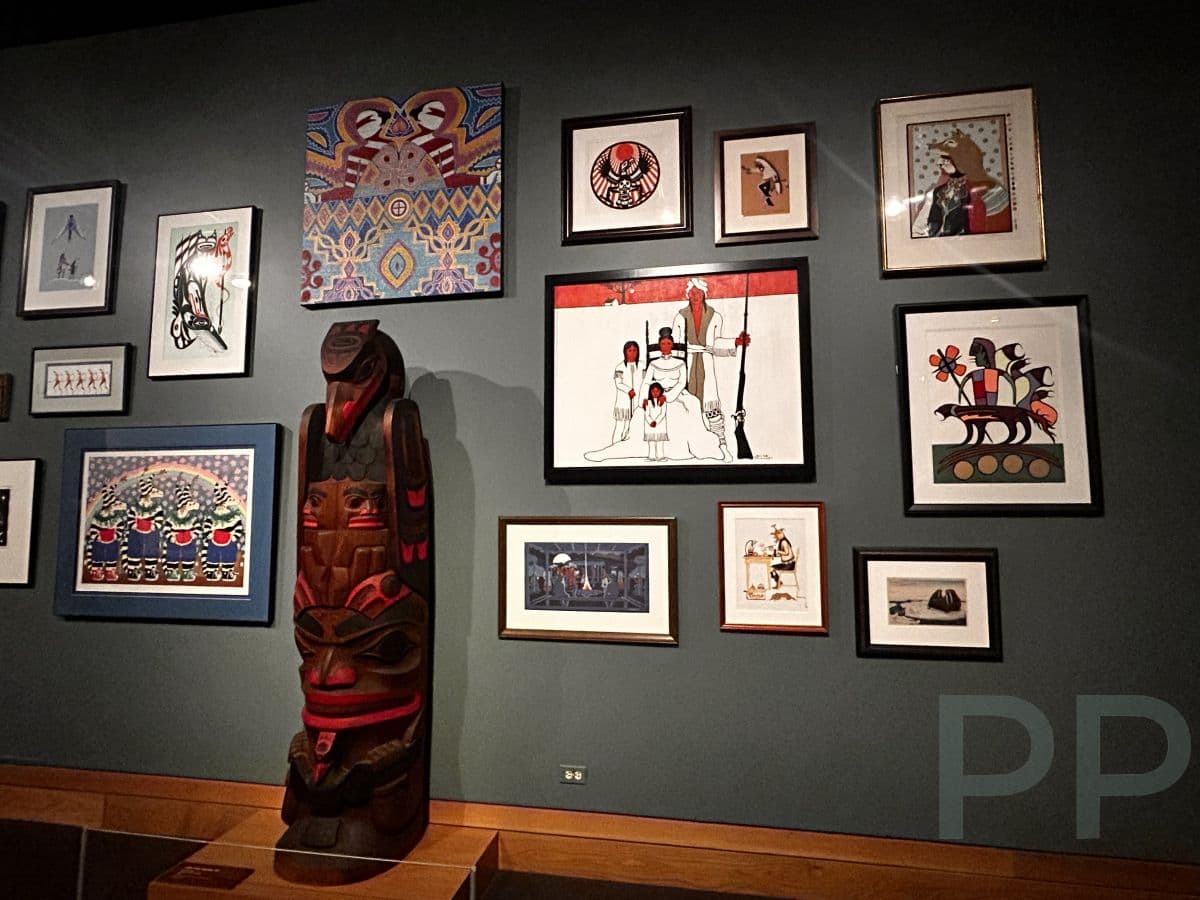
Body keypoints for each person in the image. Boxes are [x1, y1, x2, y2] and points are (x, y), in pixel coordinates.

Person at [671, 277, 749, 462]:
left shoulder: (715, 316)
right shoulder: (680, 316)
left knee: (711, 405)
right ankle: (688, 447)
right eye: (692, 292)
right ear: (688, 295)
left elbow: (714, 345)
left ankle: (721, 445)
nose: (695, 295)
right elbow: (677, 344)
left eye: (698, 292)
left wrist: (735, 342)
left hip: (706, 363)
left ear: (704, 293)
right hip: (687, 363)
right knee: (688, 406)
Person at [610, 340, 642, 443]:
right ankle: (614, 445)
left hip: (637, 401)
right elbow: (618, 383)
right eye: (630, 350)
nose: (632, 353)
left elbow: (646, 381)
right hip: (623, 402)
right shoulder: (620, 367)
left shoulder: (642, 366)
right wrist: (629, 390)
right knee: (620, 426)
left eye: (634, 350)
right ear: (625, 352)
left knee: (631, 427)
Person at [643, 381, 668, 460]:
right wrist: (651, 422)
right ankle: (651, 456)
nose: (655, 393)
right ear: (650, 392)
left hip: (660, 425)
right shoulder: (647, 402)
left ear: (661, 391)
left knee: (660, 441)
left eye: (657, 391)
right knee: (651, 442)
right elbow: (647, 414)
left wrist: (656, 422)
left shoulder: (663, 401)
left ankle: (660, 456)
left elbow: (663, 413)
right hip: (650, 426)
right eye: (653, 391)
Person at [768, 524, 796, 589]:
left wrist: (777, 551)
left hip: (789, 564)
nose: (776, 537)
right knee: (771, 568)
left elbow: (786, 553)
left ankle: (778, 583)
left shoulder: (784, 542)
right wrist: (775, 553)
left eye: (777, 535)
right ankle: (778, 582)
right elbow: (782, 553)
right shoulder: (782, 541)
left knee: (771, 569)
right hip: (788, 563)